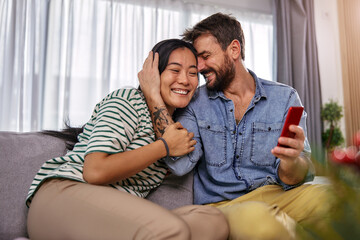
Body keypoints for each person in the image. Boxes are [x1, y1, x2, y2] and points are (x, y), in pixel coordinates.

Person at [139, 13, 331, 240]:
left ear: (234, 50)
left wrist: (291, 160)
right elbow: (180, 164)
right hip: (222, 204)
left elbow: (295, 177)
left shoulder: (285, 98)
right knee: (258, 219)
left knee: (334, 199)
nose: (198, 67)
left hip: (278, 193)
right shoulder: (195, 102)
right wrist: (153, 96)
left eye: (205, 56)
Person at [26, 39, 229, 240]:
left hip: (110, 216)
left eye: (193, 73)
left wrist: (155, 100)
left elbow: (182, 161)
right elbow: (94, 171)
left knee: (212, 222)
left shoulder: (176, 127)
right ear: (154, 74)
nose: (185, 80)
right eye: (175, 70)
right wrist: (164, 146)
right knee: (173, 229)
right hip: (63, 199)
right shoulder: (128, 100)